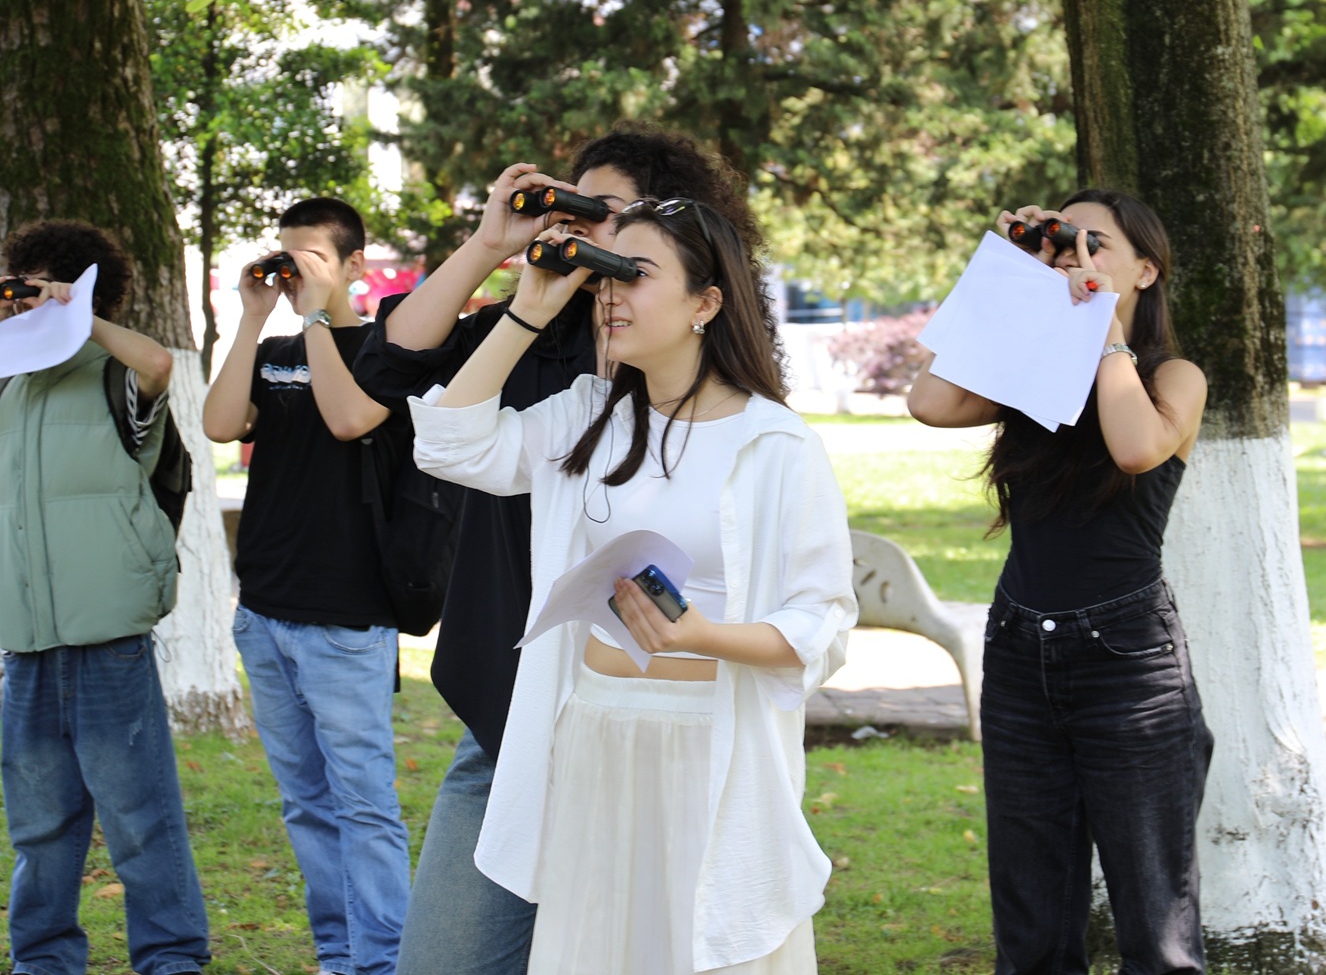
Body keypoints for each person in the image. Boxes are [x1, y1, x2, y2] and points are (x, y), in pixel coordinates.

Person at [350, 126, 766, 975]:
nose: (583, 230)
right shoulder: (549, 345)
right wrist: (493, 253)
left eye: (605, 213)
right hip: (515, 714)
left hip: (653, 733)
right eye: (576, 207)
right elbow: (390, 374)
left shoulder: (742, 420)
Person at [409, 198, 856, 975]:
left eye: (634, 275)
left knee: (700, 946)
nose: (609, 294)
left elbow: (823, 623)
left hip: (708, 747)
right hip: (595, 734)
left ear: (705, 303)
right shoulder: (589, 416)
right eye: (604, 276)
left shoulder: (776, 443)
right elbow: (449, 445)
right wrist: (526, 311)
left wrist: (701, 636)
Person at [907, 191, 1211, 975]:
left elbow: (1137, 447)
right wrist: (1011, 276)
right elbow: (930, 401)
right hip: (1019, 650)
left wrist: (1103, 330)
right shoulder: (1032, 366)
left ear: (1146, 270)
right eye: (1066, 241)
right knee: (1032, 926)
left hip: (1128, 663)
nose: (1076, 257)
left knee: (1158, 933)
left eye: (1094, 243)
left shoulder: (1175, 376)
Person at [0, 219, 207, 975]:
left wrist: (76, 312)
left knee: (139, 816)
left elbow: (160, 363)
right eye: (20, 290)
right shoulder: (7, 388)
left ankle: (170, 958)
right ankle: (42, 960)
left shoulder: (114, 377)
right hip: (29, 636)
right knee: (38, 822)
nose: (25, 305)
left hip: (108, 636)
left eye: (39, 290)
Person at [202, 196, 409, 975]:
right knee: (306, 804)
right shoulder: (276, 346)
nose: (292, 273)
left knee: (364, 806)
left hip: (345, 617)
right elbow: (220, 425)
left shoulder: (390, 350)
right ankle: (338, 954)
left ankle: (384, 962)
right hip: (264, 611)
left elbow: (349, 421)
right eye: (285, 258)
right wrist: (252, 319)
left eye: (311, 259)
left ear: (354, 264)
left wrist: (319, 317)